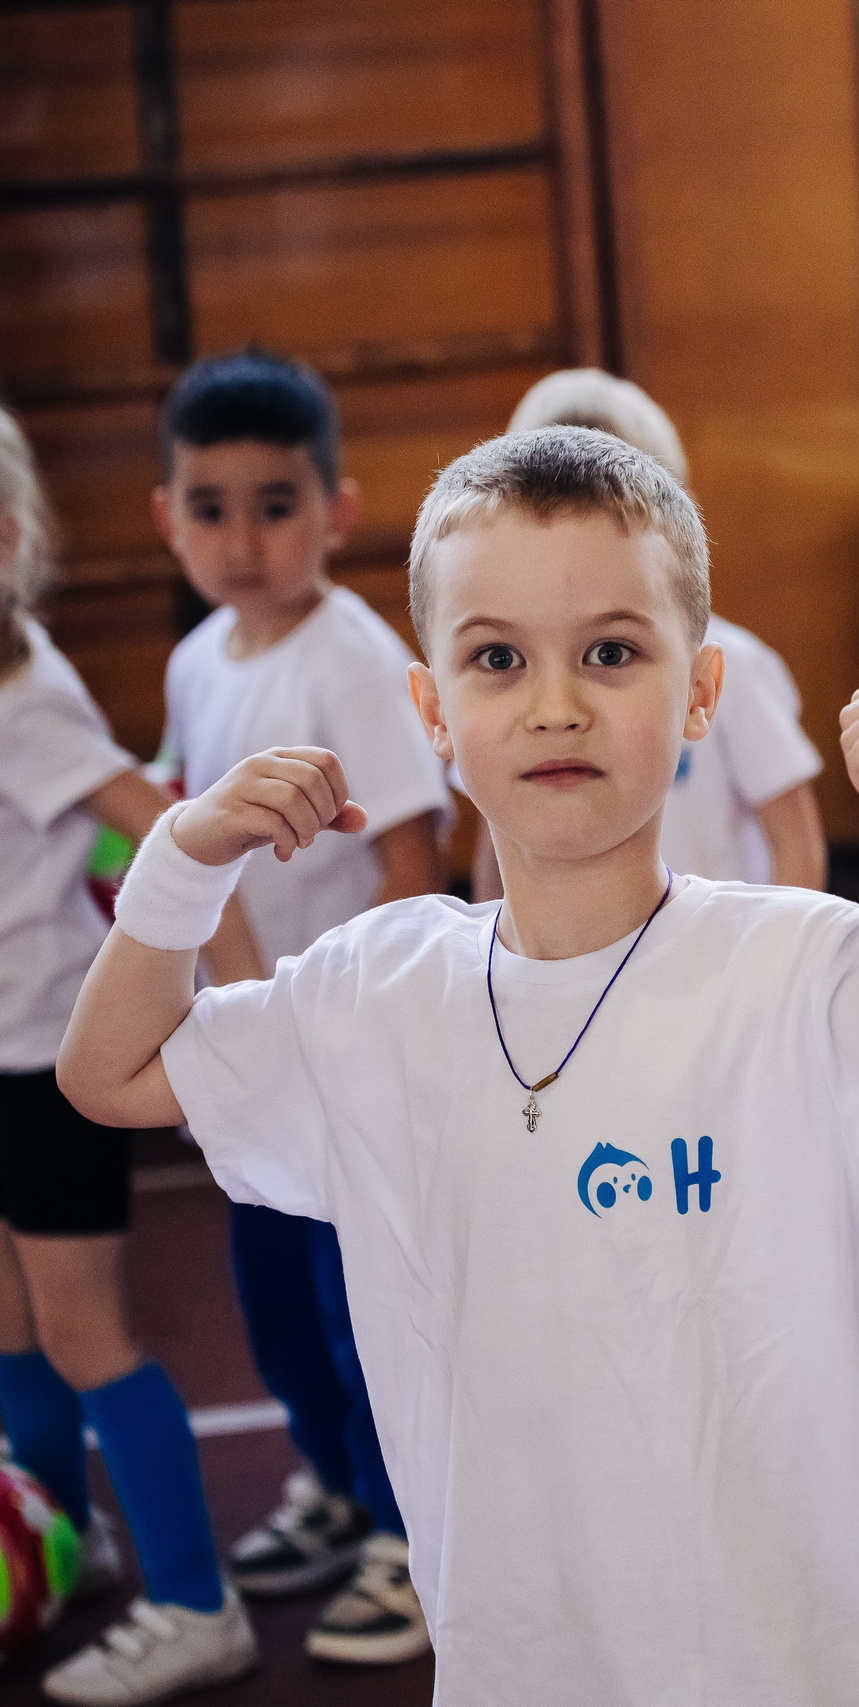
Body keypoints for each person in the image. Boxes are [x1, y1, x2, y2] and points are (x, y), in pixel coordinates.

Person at [58, 426, 859, 1704]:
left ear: (700, 692)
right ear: (431, 713)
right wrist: (181, 859)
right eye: (497, 658)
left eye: (611, 652)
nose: (555, 701)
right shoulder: (371, 990)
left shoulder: (803, 972)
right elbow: (110, 1078)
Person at [150, 350, 451, 1667]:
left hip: (347, 1050)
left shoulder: (354, 659)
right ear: (164, 516)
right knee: (274, 1297)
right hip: (255, 1046)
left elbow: (410, 858)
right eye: (209, 506)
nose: (242, 536)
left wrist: (367, 1022)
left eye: (276, 503)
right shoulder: (195, 659)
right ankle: (334, 1478)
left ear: (338, 508)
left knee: (361, 1302)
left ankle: (410, 1528)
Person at [0, 407, 265, 1706]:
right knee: (10, 1328)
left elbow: (160, 826)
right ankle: (62, 1538)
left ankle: (195, 1601)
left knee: (83, 1327)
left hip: (39, 1064)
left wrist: (247, 984)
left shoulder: (24, 698)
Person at [464, 368, 825, 898]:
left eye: (612, 653)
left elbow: (795, 841)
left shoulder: (734, 665)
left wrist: (780, 970)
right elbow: (492, 857)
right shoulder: (493, 680)